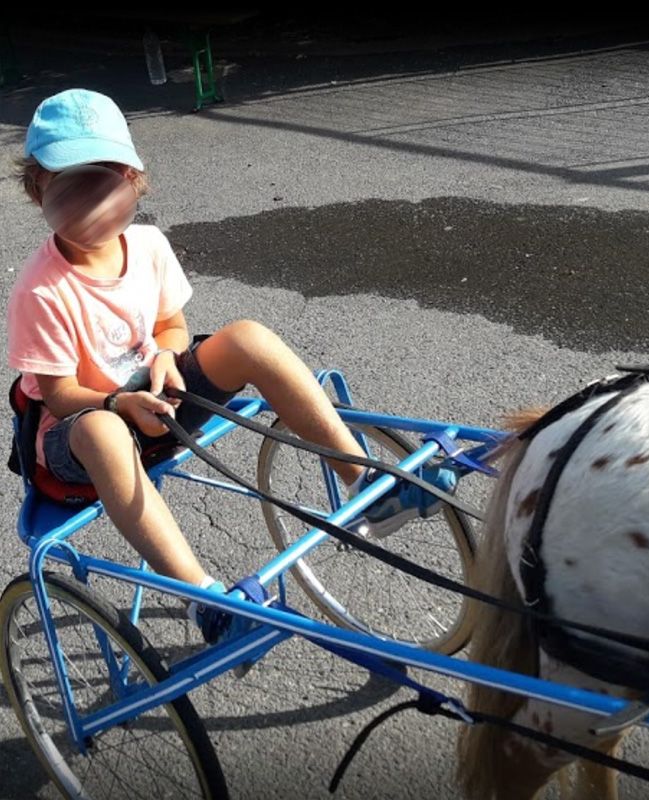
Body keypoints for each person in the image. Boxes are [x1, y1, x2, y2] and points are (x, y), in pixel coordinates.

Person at [7, 88, 456, 643]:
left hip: (159, 400)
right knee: (101, 430)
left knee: (246, 337)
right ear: (39, 189)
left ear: (129, 179)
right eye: (68, 182)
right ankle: (207, 600)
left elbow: (170, 325)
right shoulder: (41, 288)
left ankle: (363, 479)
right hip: (78, 435)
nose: (88, 197)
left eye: (101, 177)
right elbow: (58, 394)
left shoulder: (146, 244)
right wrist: (118, 402)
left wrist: (167, 355)